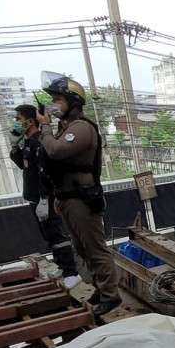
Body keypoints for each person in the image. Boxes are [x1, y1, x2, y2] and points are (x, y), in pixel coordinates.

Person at [35, 76, 121, 317]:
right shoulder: (67, 128)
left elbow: (55, 151)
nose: (53, 104)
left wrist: (44, 127)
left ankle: (110, 295)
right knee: (82, 249)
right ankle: (99, 289)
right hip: (68, 197)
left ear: (73, 102)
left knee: (95, 249)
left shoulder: (81, 128)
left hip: (83, 199)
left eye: (57, 99)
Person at [10, 105, 81, 289]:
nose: (16, 123)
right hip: (33, 196)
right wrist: (14, 146)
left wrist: (44, 198)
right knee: (48, 236)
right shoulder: (28, 142)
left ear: (30, 121)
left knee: (56, 234)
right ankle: (60, 266)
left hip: (44, 198)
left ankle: (71, 272)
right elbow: (24, 166)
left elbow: (45, 173)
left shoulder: (40, 141)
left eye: (18, 119)